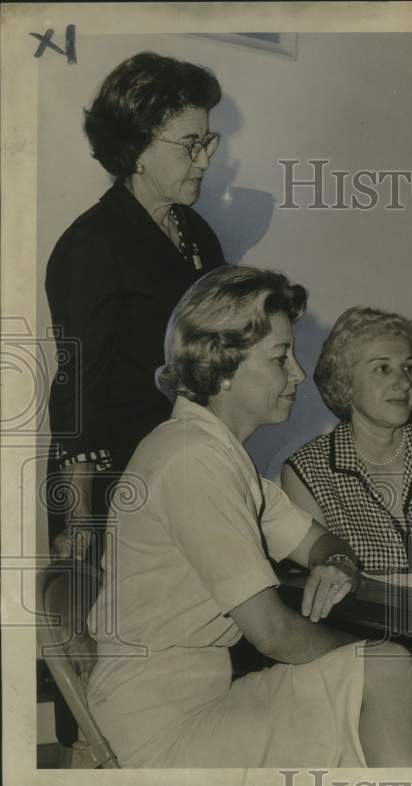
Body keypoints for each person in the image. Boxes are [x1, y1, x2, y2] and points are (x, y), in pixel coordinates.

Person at [85, 267, 412, 767]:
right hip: (159, 729)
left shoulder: (221, 455)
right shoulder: (192, 460)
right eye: (280, 358)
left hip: (201, 700)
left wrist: (336, 564)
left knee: (390, 670)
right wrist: (368, 648)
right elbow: (273, 634)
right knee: (386, 665)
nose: (297, 373)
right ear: (224, 368)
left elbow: (322, 543)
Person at [283, 306, 412, 765]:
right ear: (344, 382)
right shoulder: (308, 471)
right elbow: (312, 600)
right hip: (356, 651)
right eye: (382, 369)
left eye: (409, 369)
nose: (402, 381)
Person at [46, 51, 226, 561]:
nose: (206, 159)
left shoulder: (198, 236)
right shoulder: (93, 244)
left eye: (208, 142)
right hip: (116, 486)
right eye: (191, 144)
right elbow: (77, 390)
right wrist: (80, 520)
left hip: (188, 468)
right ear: (137, 148)